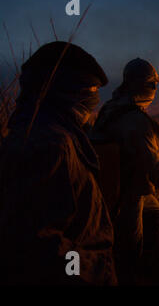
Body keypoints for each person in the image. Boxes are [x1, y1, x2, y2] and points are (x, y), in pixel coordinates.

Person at [0, 41, 117, 285]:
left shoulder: (35, 130)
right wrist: (96, 271)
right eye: (90, 90)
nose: (94, 103)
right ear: (68, 91)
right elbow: (36, 246)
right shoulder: (51, 144)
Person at [91, 58, 159, 284]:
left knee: (156, 213)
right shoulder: (135, 121)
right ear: (145, 87)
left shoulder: (112, 107)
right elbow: (155, 166)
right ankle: (131, 275)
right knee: (131, 248)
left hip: (121, 183)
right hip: (127, 191)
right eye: (153, 85)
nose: (155, 90)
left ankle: (145, 265)